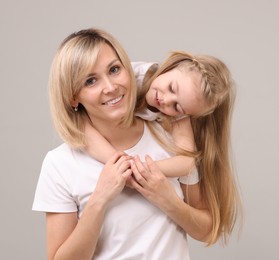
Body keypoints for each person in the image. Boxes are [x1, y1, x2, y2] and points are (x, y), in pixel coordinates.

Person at [32, 28, 216, 260]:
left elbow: (207, 231)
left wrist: (167, 200)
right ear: (73, 97)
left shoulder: (171, 137)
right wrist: (99, 199)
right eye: (90, 81)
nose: (110, 87)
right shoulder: (59, 163)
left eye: (114, 69)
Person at [85, 50, 242, 245]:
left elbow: (187, 161)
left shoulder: (176, 118)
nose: (166, 100)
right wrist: (122, 165)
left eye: (177, 107)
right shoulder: (130, 76)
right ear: (172, 66)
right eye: (171, 87)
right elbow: (81, 126)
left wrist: (143, 171)